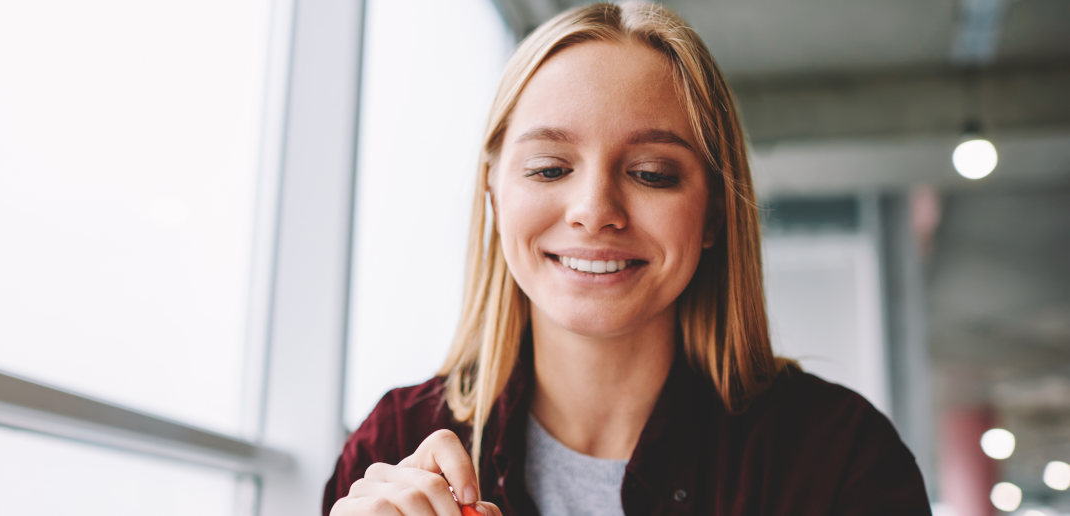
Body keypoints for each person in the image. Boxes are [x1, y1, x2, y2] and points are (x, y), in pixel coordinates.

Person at [324, 2, 931, 515]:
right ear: (493, 194)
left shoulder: (838, 459)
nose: (594, 210)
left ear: (716, 212)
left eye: (651, 173)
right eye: (549, 169)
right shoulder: (391, 446)